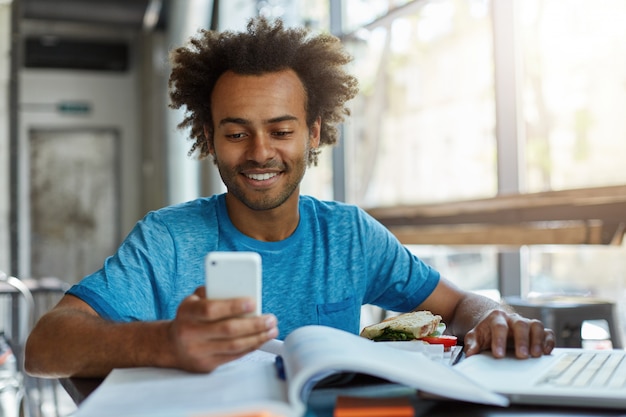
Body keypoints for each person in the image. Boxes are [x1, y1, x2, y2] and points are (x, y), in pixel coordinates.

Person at [24, 17, 555, 379]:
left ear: (314, 132)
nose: (260, 153)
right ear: (208, 138)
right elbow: (45, 346)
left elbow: (461, 305)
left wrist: (495, 317)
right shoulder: (166, 239)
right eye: (236, 134)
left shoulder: (350, 235)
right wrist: (162, 342)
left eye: (281, 130)